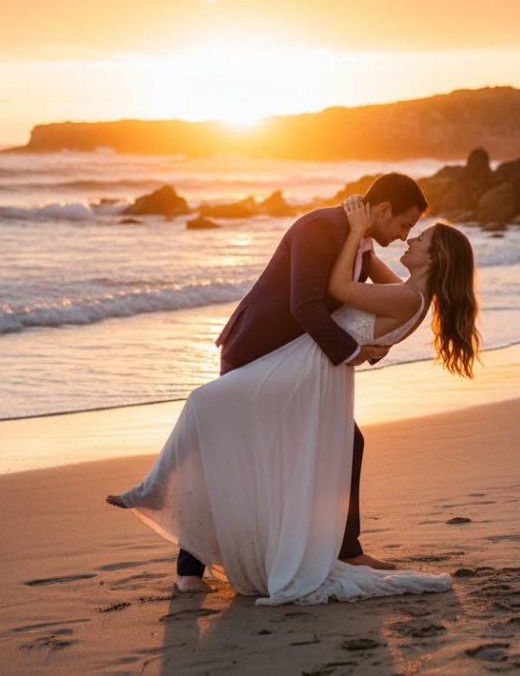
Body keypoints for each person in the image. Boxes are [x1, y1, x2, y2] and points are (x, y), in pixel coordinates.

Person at [106, 176, 481, 605]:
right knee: (225, 438)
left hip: (307, 360)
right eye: (404, 225)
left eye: (414, 233)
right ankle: (189, 561)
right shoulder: (319, 230)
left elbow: (372, 301)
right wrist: (356, 350)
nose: (404, 237)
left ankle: (338, 548)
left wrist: (363, 348)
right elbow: (308, 304)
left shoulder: (363, 245)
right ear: (382, 212)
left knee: (334, 443)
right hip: (260, 348)